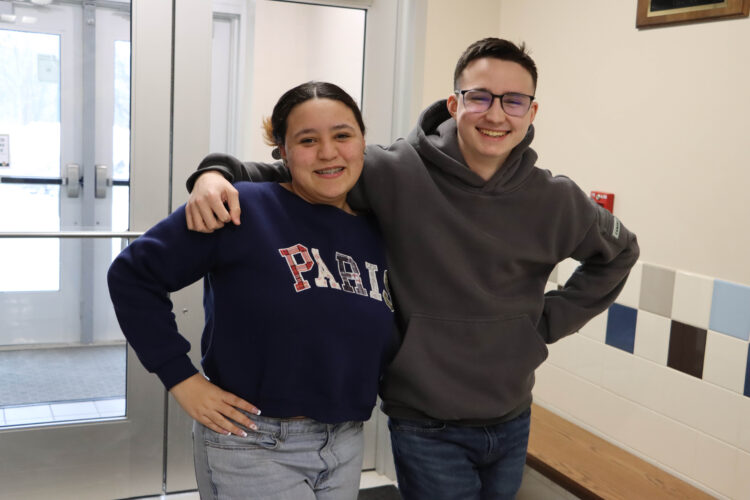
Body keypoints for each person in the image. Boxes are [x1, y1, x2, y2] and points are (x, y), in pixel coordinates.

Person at [184, 38, 640, 500]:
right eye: (480, 97)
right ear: (454, 104)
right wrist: (214, 172)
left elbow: (620, 253)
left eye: (514, 101)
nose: (496, 115)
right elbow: (299, 172)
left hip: (513, 414)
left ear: (532, 111)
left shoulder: (556, 199)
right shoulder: (395, 172)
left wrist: (541, 323)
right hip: (425, 421)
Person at [107, 81, 396, 500]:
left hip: (346, 441)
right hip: (253, 443)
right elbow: (132, 275)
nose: (328, 152)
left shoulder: (375, 227)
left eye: (342, 135)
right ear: (282, 151)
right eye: (307, 140)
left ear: (363, 142)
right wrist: (181, 378)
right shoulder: (242, 207)